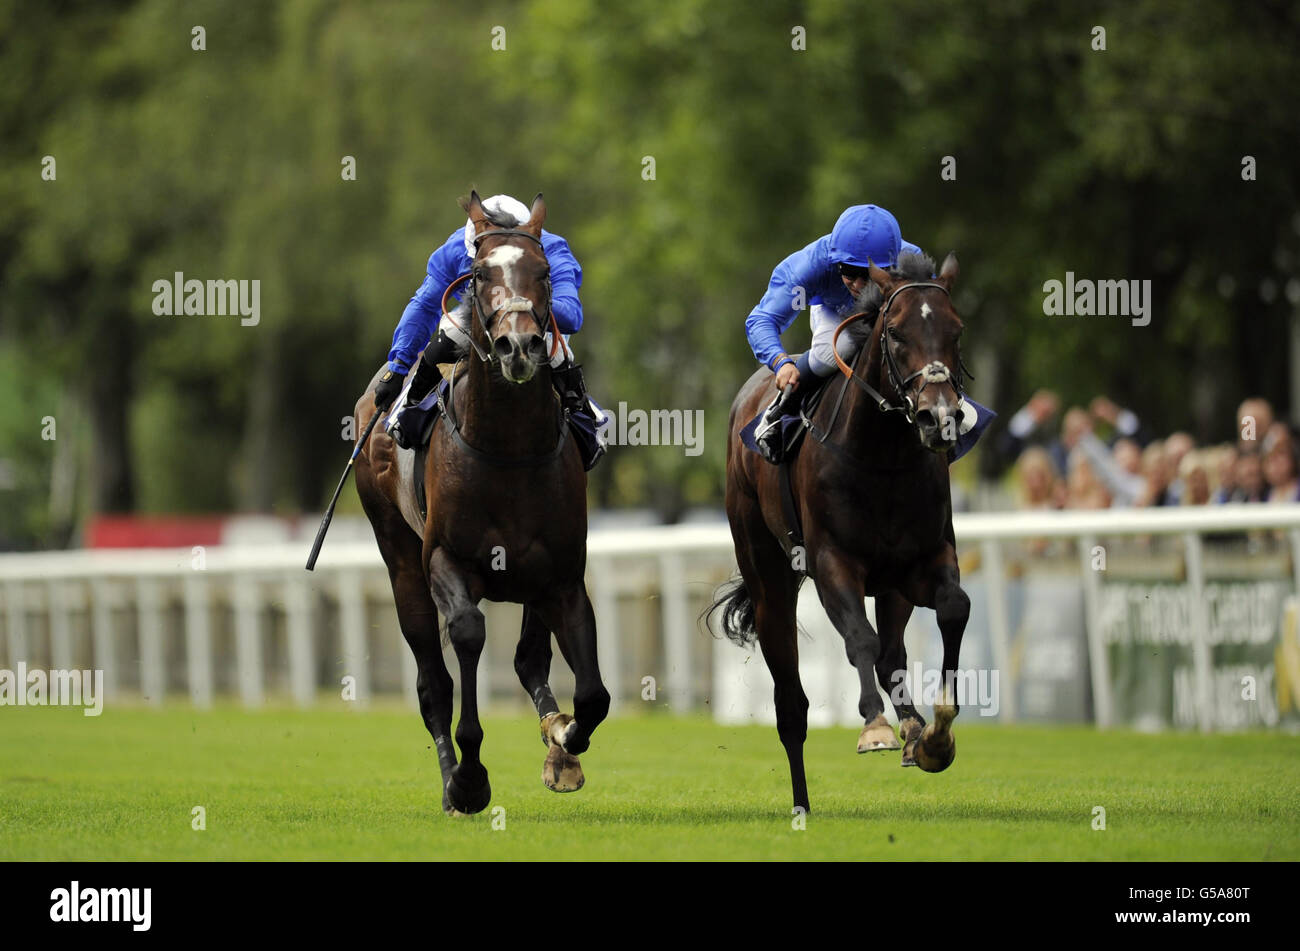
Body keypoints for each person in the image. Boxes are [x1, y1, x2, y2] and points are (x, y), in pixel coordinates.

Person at [377, 194, 597, 450]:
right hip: (477, 318)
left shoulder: (552, 248)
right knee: (437, 348)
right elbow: (425, 305)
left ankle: (586, 426)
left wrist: (523, 306)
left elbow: (571, 316)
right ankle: (408, 412)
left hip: (535, 322)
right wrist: (398, 366)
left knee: (562, 361)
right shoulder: (456, 249)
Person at [745, 204, 925, 462]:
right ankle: (780, 411)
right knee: (837, 350)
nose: (859, 285)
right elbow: (761, 319)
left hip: (888, 315)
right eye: (849, 272)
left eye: (869, 274)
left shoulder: (911, 262)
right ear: (834, 261)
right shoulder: (809, 266)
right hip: (834, 311)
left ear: (893, 263)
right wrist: (781, 362)